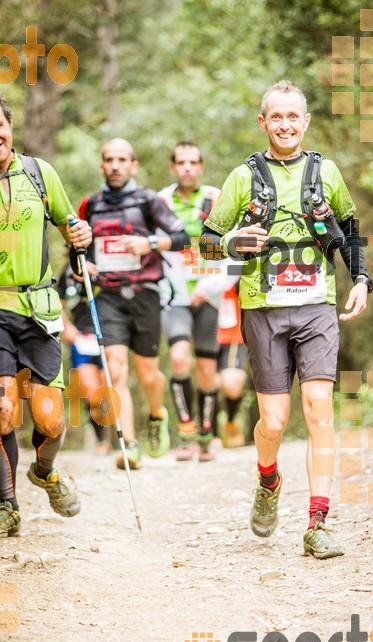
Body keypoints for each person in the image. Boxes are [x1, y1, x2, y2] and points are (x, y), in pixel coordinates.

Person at [200, 80, 373, 560]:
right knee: (273, 422)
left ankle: (317, 523)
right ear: (263, 122)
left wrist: (361, 279)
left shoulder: (326, 172)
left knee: (320, 411)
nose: (285, 125)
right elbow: (206, 241)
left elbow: (351, 230)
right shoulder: (243, 177)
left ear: (306, 121)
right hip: (262, 308)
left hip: (317, 305)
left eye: (293, 116)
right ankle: (268, 478)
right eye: (276, 117)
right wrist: (234, 243)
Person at [0, 95, 92, 537]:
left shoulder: (38, 173)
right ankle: (7, 503)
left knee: (52, 418)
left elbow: (70, 226)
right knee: (2, 411)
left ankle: (45, 471)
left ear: (10, 126)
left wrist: (81, 234)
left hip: (38, 309)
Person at [81, 138, 190, 470]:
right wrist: (81, 264)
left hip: (145, 295)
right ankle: (127, 443)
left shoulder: (148, 201)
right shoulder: (91, 205)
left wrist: (150, 243)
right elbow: (79, 249)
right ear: (102, 166)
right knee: (114, 369)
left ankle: (156, 414)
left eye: (122, 159)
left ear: (133, 165)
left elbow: (183, 237)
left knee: (148, 373)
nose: (115, 165)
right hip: (109, 297)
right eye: (109, 160)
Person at [158, 142, 238, 462]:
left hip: (210, 295)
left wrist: (210, 286)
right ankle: (186, 431)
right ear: (172, 167)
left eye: (193, 162)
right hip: (174, 296)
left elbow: (236, 250)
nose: (187, 167)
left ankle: (207, 431)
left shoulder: (215, 198)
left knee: (206, 369)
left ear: (201, 167)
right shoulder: (161, 201)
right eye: (181, 162)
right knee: (179, 359)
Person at [58, 264, 109, 453]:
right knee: (91, 393)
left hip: (109, 336)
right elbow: (59, 304)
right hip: (82, 339)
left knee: (110, 389)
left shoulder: (109, 265)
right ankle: (102, 439)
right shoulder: (66, 273)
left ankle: (122, 439)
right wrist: (66, 326)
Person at [217, 283, 247, 448]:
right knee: (209, 382)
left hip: (232, 336)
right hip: (204, 333)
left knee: (231, 383)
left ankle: (231, 421)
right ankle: (209, 433)